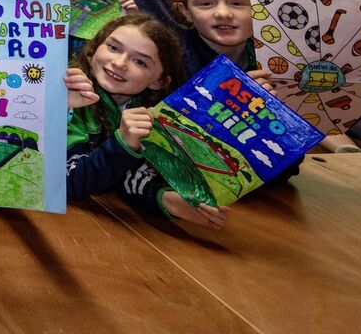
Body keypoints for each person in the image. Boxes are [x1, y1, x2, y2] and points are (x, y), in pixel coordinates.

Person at [64, 14, 235, 229]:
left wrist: (166, 200)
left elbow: (128, 178)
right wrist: (123, 142)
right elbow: (69, 183)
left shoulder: (148, 113)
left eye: (140, 62)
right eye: (113, 48)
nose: (119, 63)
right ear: (93, 51)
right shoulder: (69, 96)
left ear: (158, 82)